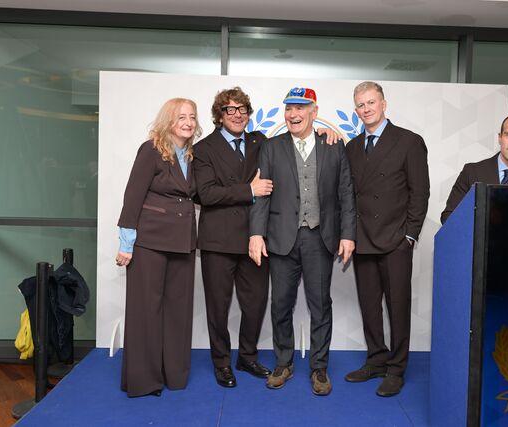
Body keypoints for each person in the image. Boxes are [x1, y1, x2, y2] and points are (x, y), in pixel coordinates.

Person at [193, 87, 342, 388]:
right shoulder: (204, 148)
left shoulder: (260, 142)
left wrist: (327, 131)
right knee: (218, 308)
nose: (237, 115)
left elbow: (299, 139)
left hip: (257, 241)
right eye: (230, 110)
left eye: (242, 109)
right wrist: (247, 190)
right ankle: (222, 363)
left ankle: (247, 356)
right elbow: (205, 194)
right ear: (219, 115)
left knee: (256, 304)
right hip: (219, 241)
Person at [248, 87, 356, 396]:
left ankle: (319, 367)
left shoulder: (333, 145)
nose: (293, 114)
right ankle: (284, 362)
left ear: (314, 112)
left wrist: (348, 234)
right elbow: (262, 194)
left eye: (300, 108)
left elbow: (346, 192)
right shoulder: (271, 147)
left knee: (320, 305)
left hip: (319, 238)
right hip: (281, 237)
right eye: (289, 108)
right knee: (280, 304)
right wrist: (256, 233)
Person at [343, 81, 430, 397]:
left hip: (396, 240)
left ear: (383, 104)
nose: (366, 109)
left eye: (371, 102)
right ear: (356, 110)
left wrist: (410, 235)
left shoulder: (409, 141)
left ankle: (396, 368)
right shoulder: (352, 147)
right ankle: (376, 360)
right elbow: (348, 194)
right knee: (369, 306)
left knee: (397, 307)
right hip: (363, 239)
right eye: (360, 105)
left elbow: (420, 192)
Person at [115, 98, 201, 397]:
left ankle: (173, 375)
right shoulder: (150, 150)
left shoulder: (192, 155)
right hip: (149, 243)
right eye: (181, 117)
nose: (188, 122)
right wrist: (126, 245)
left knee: (179, 312)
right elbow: (132, 198)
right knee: (145, 311)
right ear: (168, 120)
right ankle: (144, 380)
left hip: (183, 243)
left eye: (192, 116)